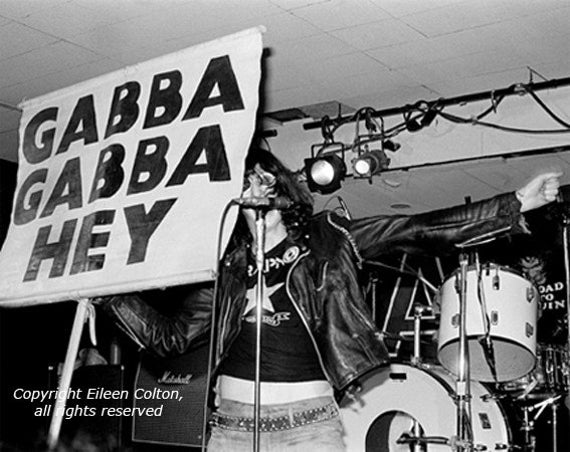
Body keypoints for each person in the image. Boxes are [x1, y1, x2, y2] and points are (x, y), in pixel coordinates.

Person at [101, 148, 561, 451]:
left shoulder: (330, 238)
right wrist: (107, 295)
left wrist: (514, 203)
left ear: (281, 188)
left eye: (263, 178)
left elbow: (418, 229)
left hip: (308, 427)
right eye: (244, 182)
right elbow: (169, 338)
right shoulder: (225, 267)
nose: (255, 187)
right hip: (231, 429)